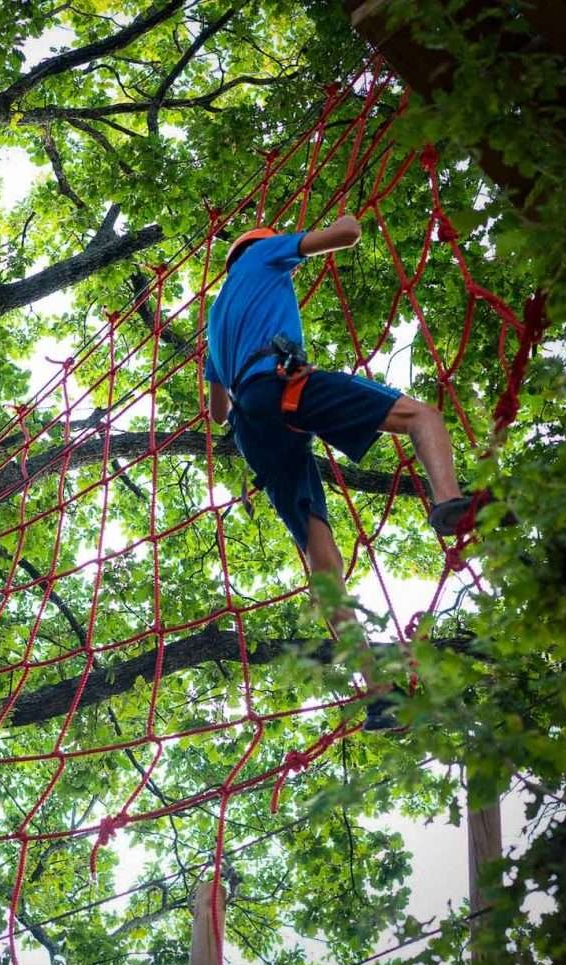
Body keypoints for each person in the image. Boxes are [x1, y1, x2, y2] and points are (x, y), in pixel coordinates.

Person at [205, 217, 473, 731]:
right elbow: (346, 234)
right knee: (423, 416)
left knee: (321, 562)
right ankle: (447, 502)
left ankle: (378, 692)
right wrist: (339, 224)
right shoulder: (266, 256)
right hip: (282, 382)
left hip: (251, 430)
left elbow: (216, 413)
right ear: (259, 248)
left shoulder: (215, 317)